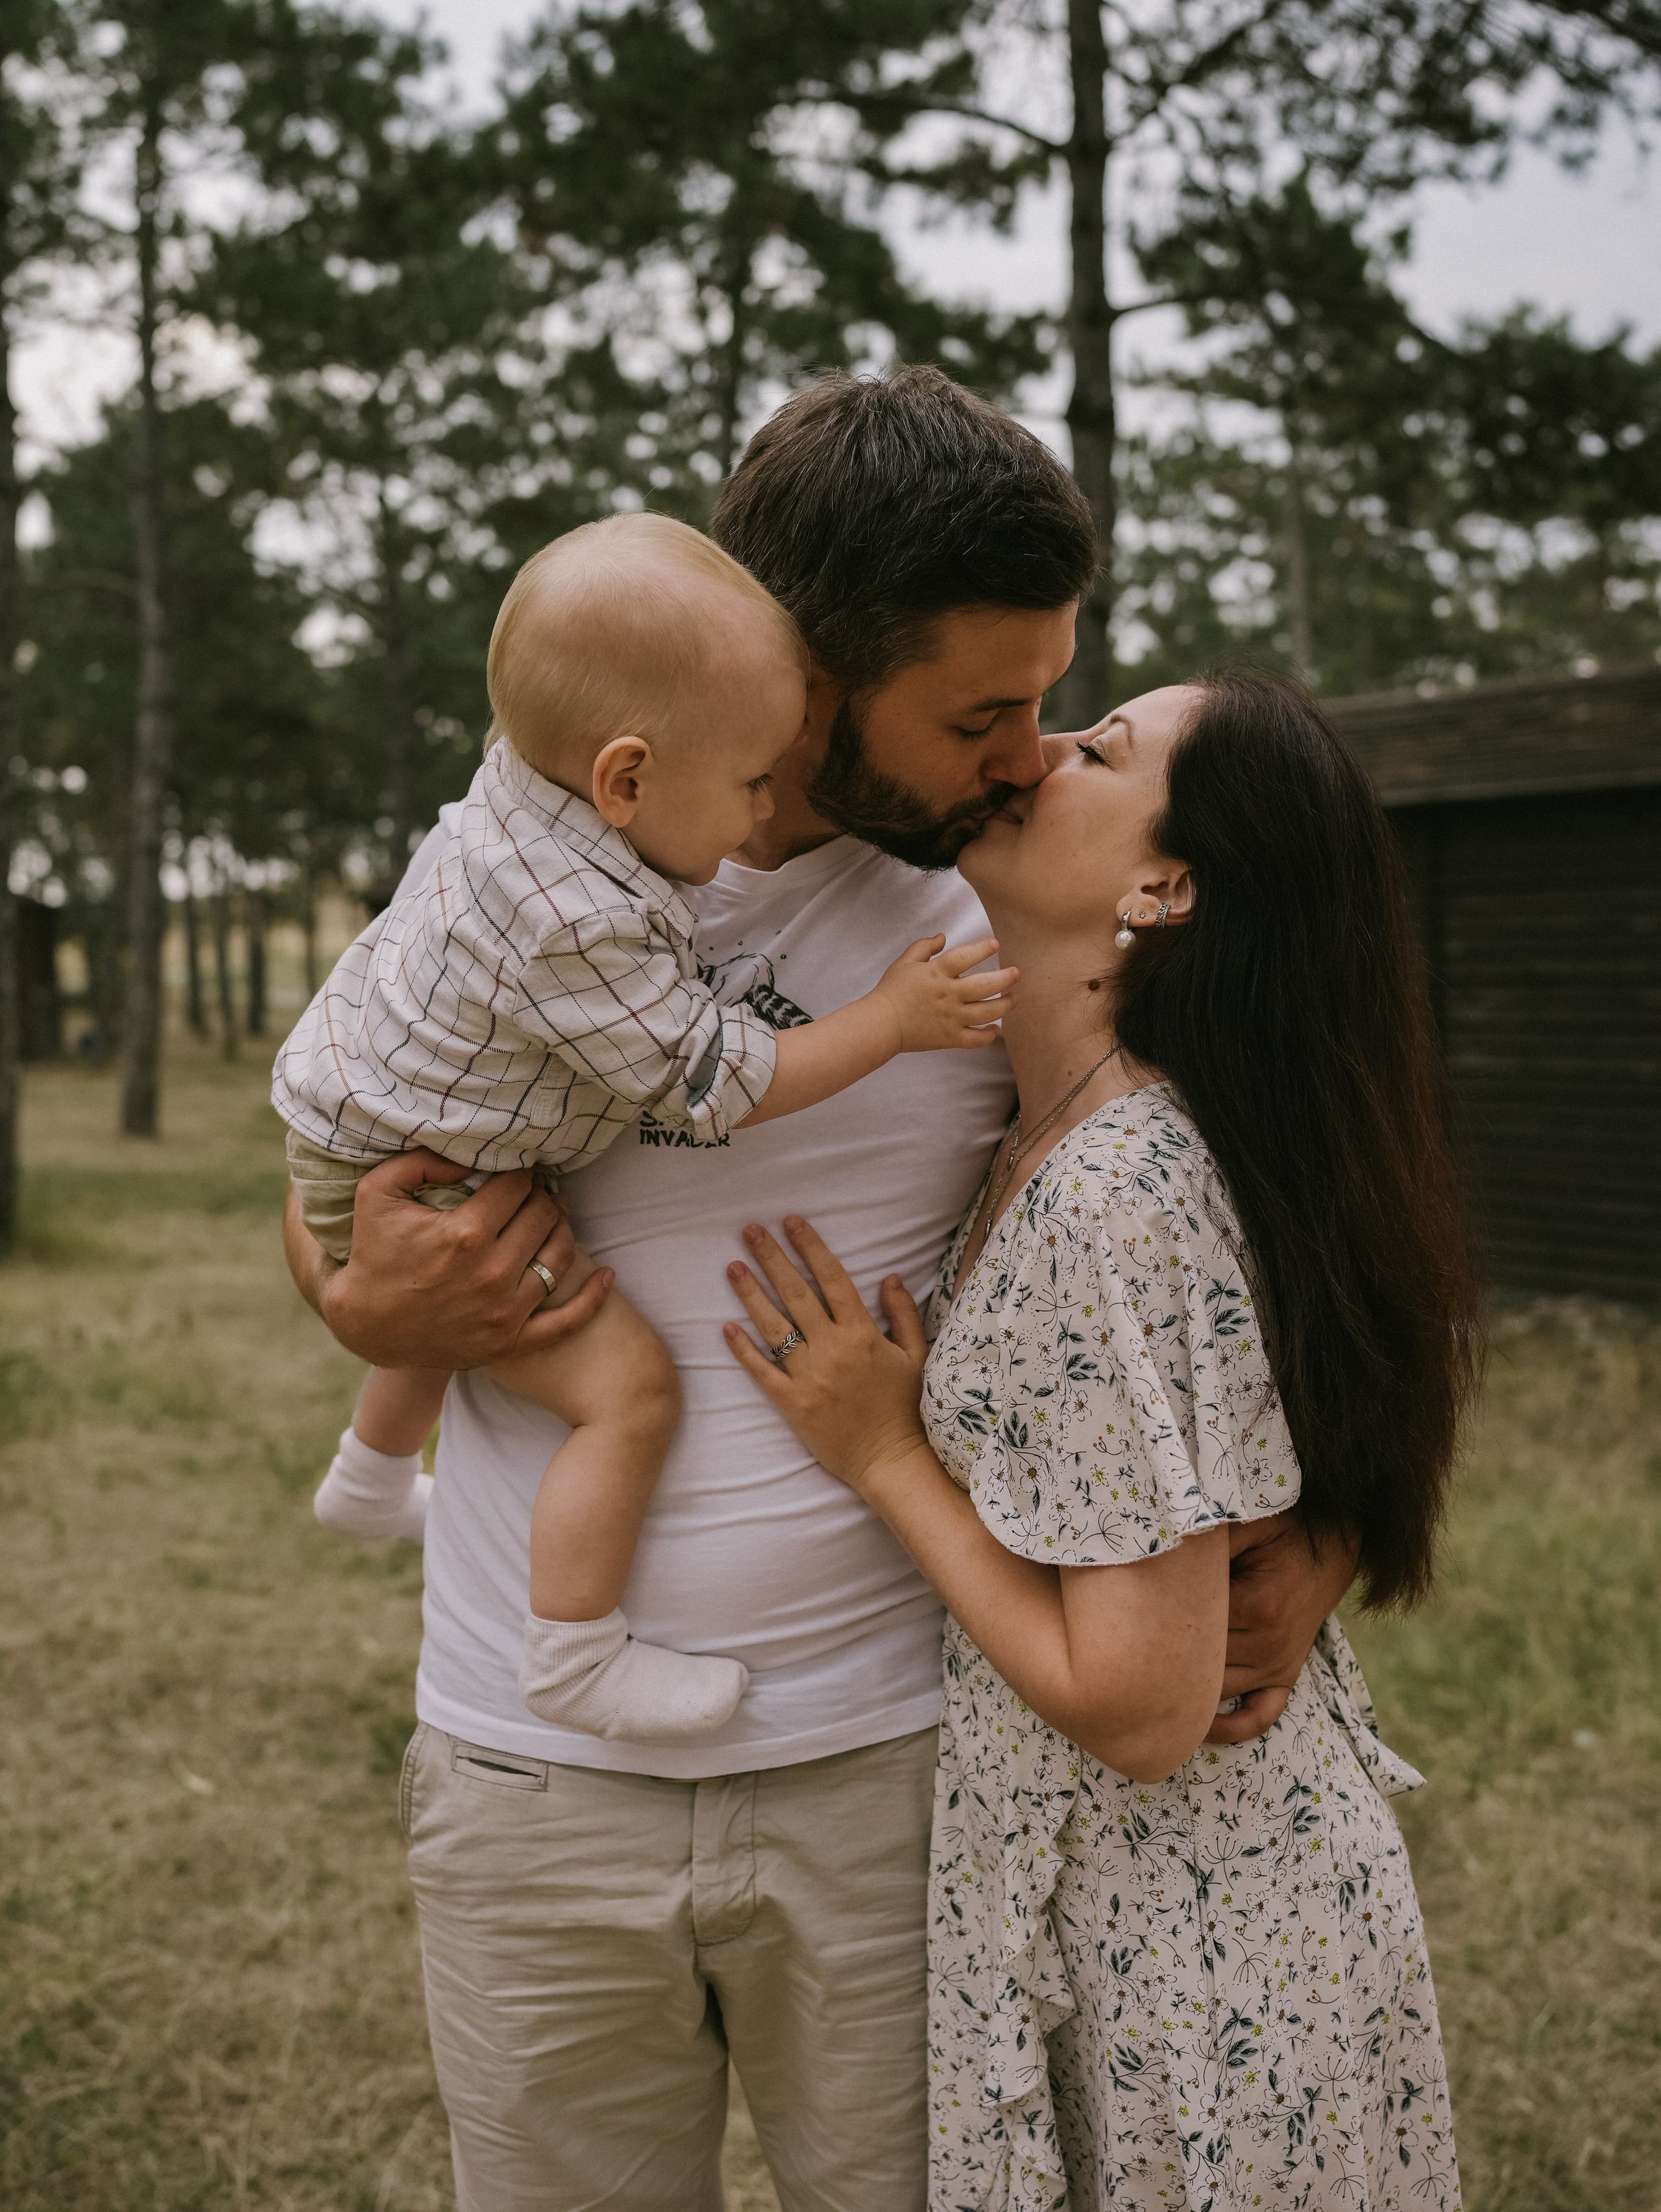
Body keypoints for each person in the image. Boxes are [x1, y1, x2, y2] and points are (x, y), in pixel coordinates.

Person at [281, 369, 1357, 2211]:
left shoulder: (1005, 910)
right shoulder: (542, 861)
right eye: (978, 714)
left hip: (890, 1775)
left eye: (1042, 706)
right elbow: (350, 1166)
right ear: (817, 672)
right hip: (530, 1772)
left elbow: (1288, 1219)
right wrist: (367, 1307)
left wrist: (1329, 1517)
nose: (1025, 756)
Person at [724, 673, 1478, 2210]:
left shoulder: (1111, 1194)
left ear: (1163, 886)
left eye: (1100, 748)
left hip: (1195, 1959)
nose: (1038, 749)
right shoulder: (1095, 1130)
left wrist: (880, 1453)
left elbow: (1138, 1710)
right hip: (1189, 1917)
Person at [274, 513, 1012, 1744]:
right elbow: (714, 1074)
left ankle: (366, 1476)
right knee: (626, 1390)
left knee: (491, 1251)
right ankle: (573, 1654)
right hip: (429, 1165)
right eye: (752, 778)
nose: (765, 796)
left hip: (399, 1127)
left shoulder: (526, 782)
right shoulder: (587, 921)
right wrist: (890, 1018)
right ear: (625, 777)